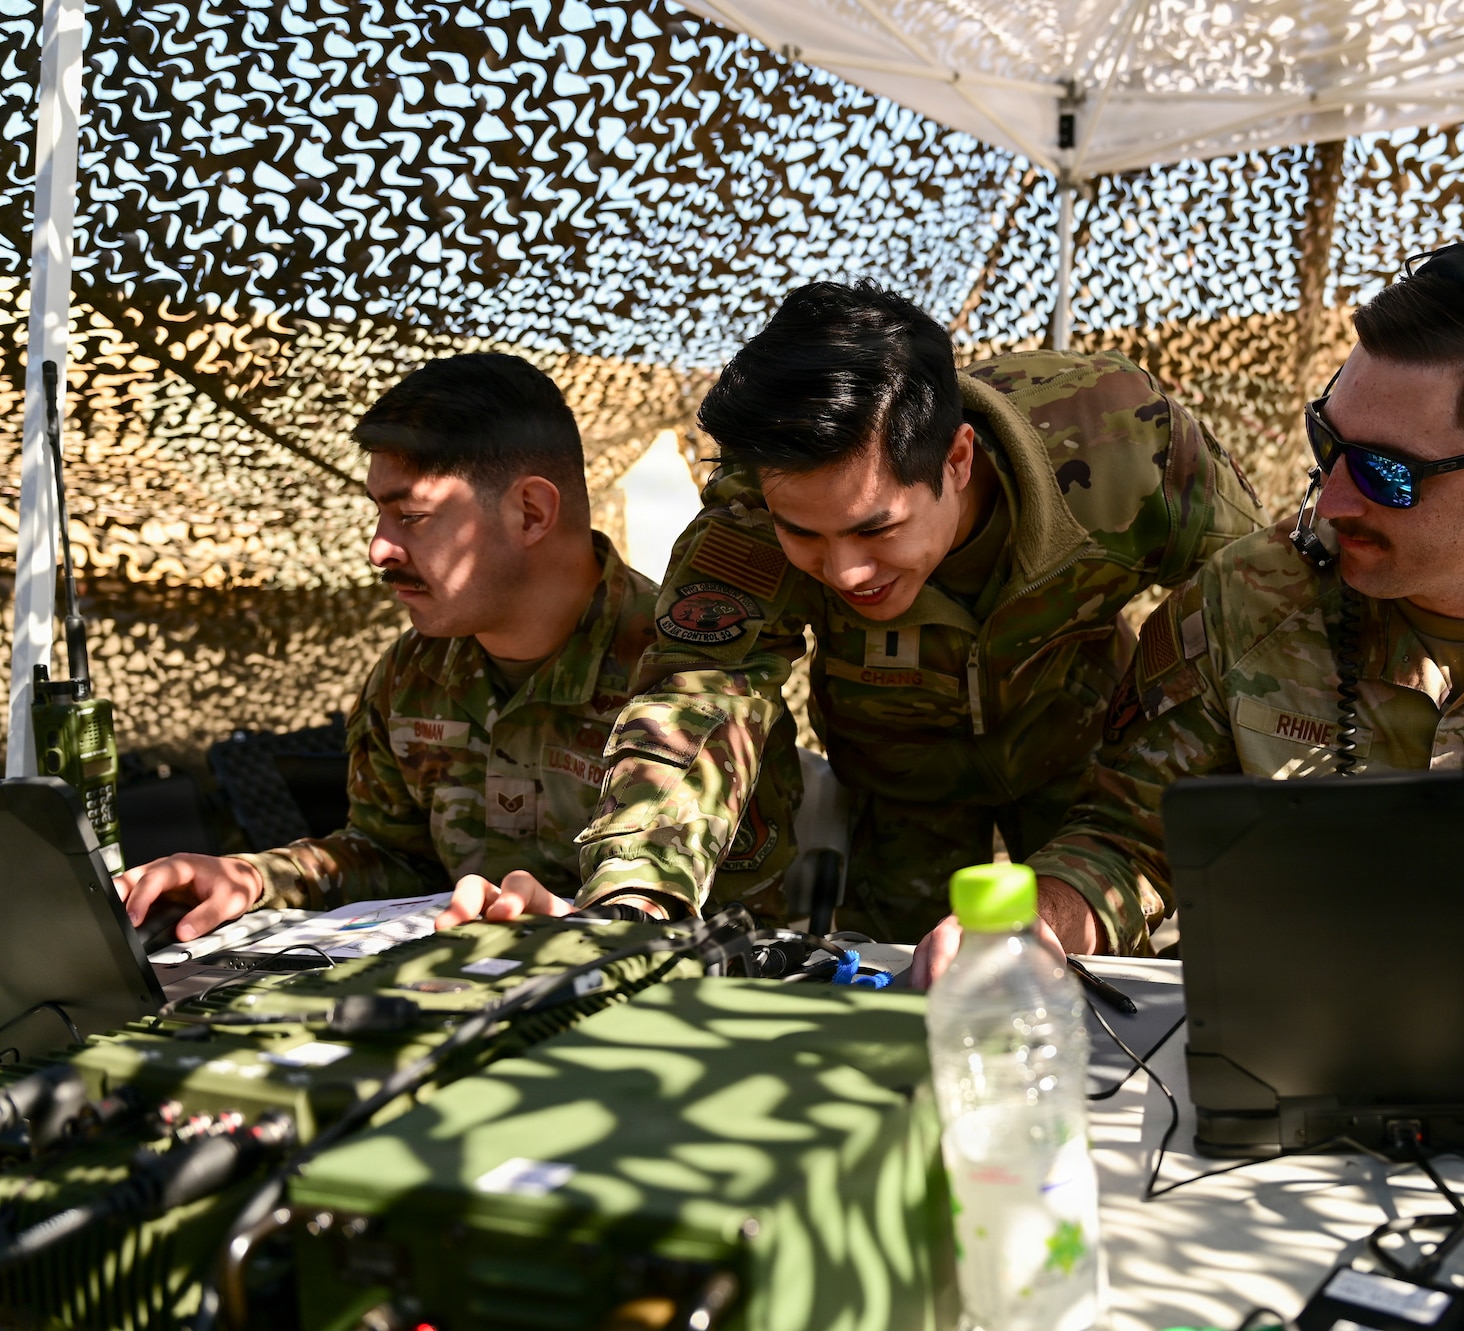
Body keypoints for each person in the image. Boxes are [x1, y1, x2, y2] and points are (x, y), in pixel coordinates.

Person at [911, 239, 1464, 984]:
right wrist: (1044, 919)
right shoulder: (1247, 599)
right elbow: (1129, 840)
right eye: (1326, 442)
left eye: (1387, 471)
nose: (1332, 498)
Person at [439, 279, 1265, 940]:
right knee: (908, 981)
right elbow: (699, 696)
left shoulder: (1123, 437)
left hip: (1084, 761)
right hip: (898, 784)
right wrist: (635, 895)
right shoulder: (749, 512)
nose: (845, 570)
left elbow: (1252, 605)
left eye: (877, 527)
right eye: (807, 533)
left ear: (958, 458)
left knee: (1120, 991)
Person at [115, 353, 658, 941]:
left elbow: (749, 920)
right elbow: (393, 858)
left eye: (412, 515)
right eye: (381, 515)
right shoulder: (413, 674)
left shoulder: (685, 674)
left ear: (529, 513)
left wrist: (602, 924)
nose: (379, 549)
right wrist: (252, 878)